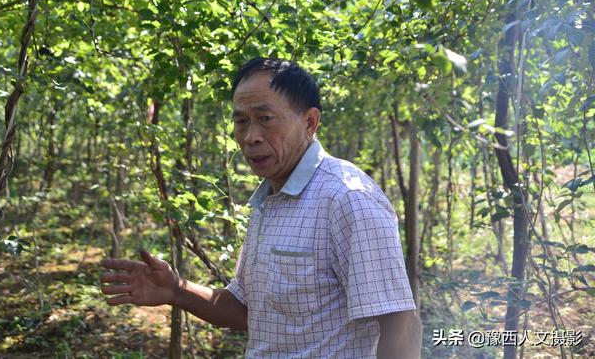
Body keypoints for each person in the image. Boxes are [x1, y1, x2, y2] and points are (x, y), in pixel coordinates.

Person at [101, 57, 423, 358]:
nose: (250, 137)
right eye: (241, 122)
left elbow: (402, 326)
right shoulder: (269, 200)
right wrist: (177, 290)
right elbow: (249, 311)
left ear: (309, 122)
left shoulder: (347, 198)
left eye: (266, 119)